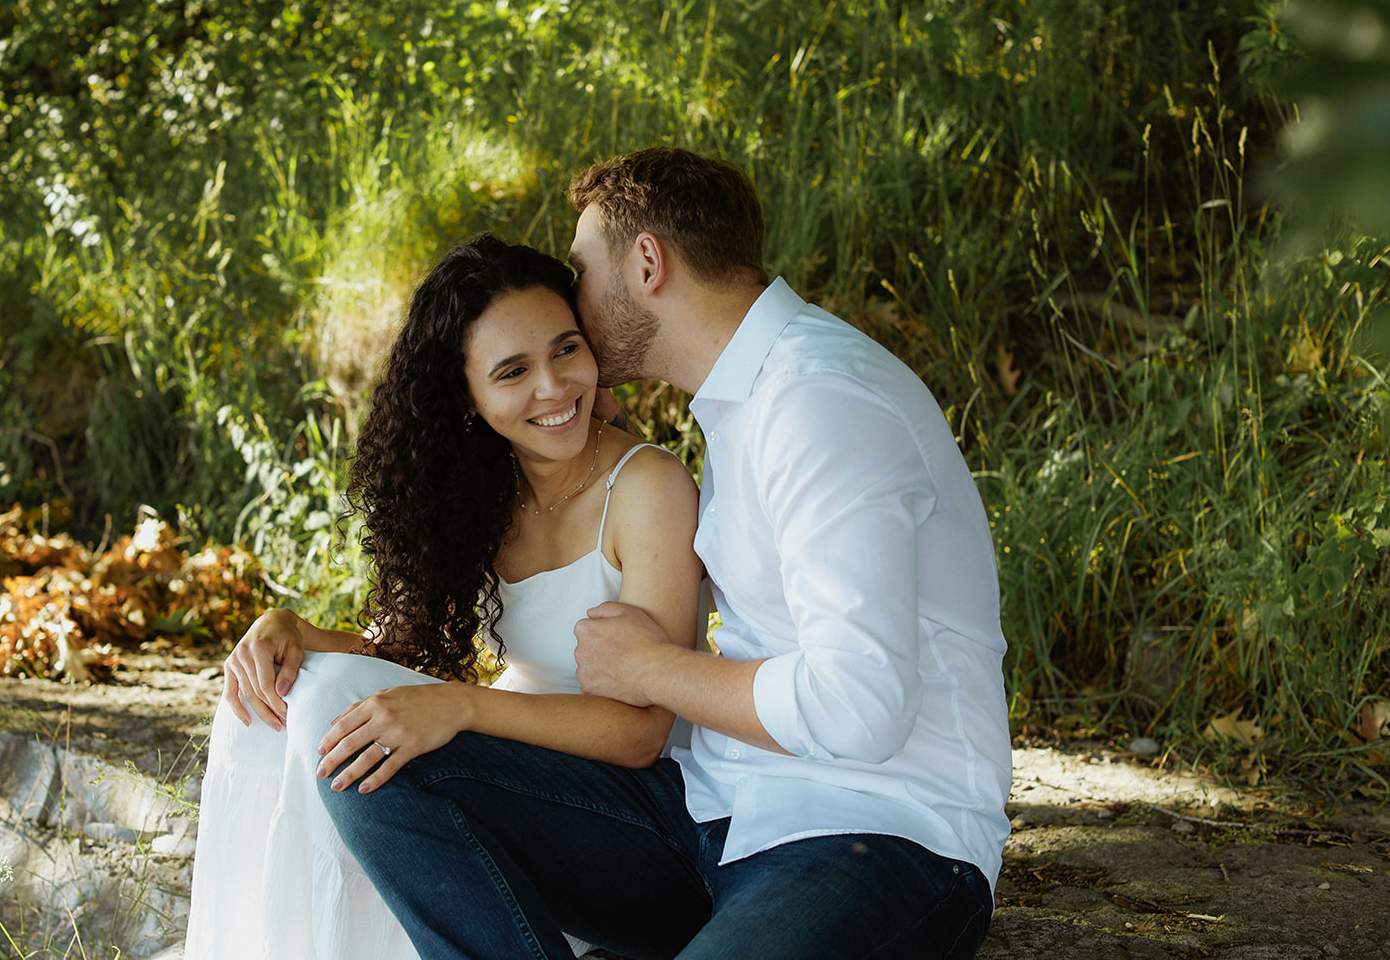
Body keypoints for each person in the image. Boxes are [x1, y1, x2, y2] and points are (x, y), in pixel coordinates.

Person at [315, 147, 1013, 959]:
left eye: (582, 268)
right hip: (713, 814)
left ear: (646, 263)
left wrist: (650, 668)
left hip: (880, 837)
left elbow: (859, 702)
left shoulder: (821, 402)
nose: (572, 296)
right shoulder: (742, 399)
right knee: (381, 766)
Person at [183, 233, 707, 958]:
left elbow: (644, 731)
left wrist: (465, 705)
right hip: (521, 778)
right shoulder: (483, 493)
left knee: (354, 739)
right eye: (513, 370)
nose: (553, 388)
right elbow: (397, 658)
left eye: (566, 350)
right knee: (291, 695)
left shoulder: (648, 487)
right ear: (465, 395)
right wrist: (290, 630)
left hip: (647, 821)